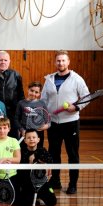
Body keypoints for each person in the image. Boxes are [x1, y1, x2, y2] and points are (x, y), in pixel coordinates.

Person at [41, 50, 90, 195]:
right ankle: (55, 181)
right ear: (55, 62)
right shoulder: (49, 79)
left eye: (63, 60)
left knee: (72, 154)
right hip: (53, 124)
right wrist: (44, 117)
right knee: (54, 154)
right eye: (58, 61)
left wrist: (76, 107)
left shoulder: (76, 79)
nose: (61, 63)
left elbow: (86, 97)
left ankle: (73, 184)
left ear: (68, 62)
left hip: (71, 123)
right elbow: (44, 100)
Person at [17, 129, 57, 206]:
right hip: (28, 184)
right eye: (28, 138)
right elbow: (21, 171)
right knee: (23, 204)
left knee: (52, 202)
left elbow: (50, 159)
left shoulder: (42, 150)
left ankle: (39, 195)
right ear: (25, 140)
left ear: (38, 139)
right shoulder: (22, 153)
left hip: (42, 183)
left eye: (34, 137)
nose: (31, 139)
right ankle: (34, 196)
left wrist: (36, 154)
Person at [0, 117, 21, 206]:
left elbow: (17, 159)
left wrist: (4, 159)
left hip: (11, 176)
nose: (2, 131)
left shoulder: (14, 141)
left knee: (15, 202)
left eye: (5, 128)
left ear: (9, 129)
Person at [15, 81, 50, 149]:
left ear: (39, 93)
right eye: (32, 90)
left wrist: (45, 126)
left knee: (38, 154)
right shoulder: (21, 103)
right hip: (25, 133)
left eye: (36, 92)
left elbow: (48, 121)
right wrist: (21, 129)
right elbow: (16, 119)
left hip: (38, 134)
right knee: (24, 154)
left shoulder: (42, 103)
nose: (33, 93)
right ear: (28, 89)